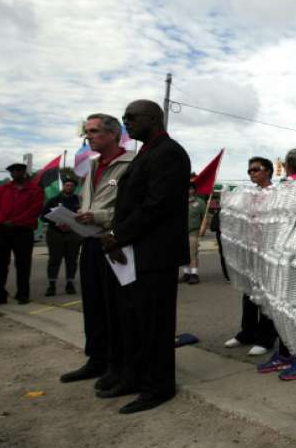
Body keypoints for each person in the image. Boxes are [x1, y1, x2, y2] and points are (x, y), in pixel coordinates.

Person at [99, 99, 191, 414]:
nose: (126, 123)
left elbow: (156, 205)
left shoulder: (169, 153)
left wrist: (118, 235)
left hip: (156, 255)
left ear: (152, 118)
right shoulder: (146, 152)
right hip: (135, 253)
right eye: (124, 117)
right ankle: (135, 377)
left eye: (131, 117)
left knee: (155, 325)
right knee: (134, 322)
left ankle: (158, 387)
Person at [60, 113, 135, 389]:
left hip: (114, 242)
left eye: (93, 131)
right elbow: (87, 202)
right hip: (90, 241)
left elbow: (134, 208)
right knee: (92, 304)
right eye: (86, 132)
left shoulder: (132, 164)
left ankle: (119, 364)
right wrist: (76, 218)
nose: (88, 136)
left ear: (114, 134)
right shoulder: (92, 166)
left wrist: (98, 216)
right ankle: (97, 358)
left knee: (115, 307)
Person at [224, 157, 289, 358]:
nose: (252, 173)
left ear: (268, 171)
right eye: (249, 170)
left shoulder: (277, 193)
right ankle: (247, 332)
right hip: (250, 251)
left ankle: (266, 338)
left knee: (267, 296)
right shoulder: (248, 194)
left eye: (256, 169)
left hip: (269, 253)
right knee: (249, 294)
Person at [260, 148, 296, 382]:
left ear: (289, 166)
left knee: (294, 308)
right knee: (293, 307)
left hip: (293, 255)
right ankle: (288, 353)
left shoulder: (290, 187)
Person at [0, 162, 44, 306]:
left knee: (23, 264)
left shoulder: (35, 190)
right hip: (1, 231)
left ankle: (22, 294)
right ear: (10, 173)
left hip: (23, 232)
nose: (16, 172)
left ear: (25, 172)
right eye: (13, 170)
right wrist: (1, 221)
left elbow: (34, 210)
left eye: (19, 170)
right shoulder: (1, 190)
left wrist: (15, 222)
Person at [40, 178, 82, 296]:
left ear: (74, 188)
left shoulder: (79, 201)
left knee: (72, 260)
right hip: (55, 233)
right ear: (63, 186)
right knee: (54, 260)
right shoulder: (53, 200)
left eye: (71, 185)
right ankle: (51, 285)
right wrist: (56, 222)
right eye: (67, 185)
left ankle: (70, 284)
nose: (69, 187)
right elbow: (43, 216)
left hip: (73, 233)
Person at [180, 182, 204, 285]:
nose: (189, 191)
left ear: (194, 190)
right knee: (183, 254)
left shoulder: (200, 202)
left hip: (193, 232)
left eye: (191, 189)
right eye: (187, 189)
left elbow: (205, 216)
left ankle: (194, 275)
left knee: (192, 254)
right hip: (181, 233)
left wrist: (203, 228)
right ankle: (186, 274)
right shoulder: (180, 202)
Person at [209, 199, 229, 282]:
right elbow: (213, 227)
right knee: (224, 255)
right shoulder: (219, 212)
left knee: (226, 255)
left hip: (229, 238)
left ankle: (228, 274)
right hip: (222, 236)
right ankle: (227, 275)